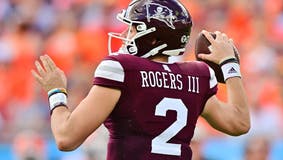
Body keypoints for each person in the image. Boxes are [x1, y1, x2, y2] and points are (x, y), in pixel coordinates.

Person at [31, 0, 250, 159]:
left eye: (134, 28)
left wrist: (56, 92)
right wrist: (230, 66)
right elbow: (239, 123)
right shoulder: (197, 76)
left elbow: (66, 138)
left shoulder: (122, 68)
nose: (128, 34)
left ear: (154, 37)